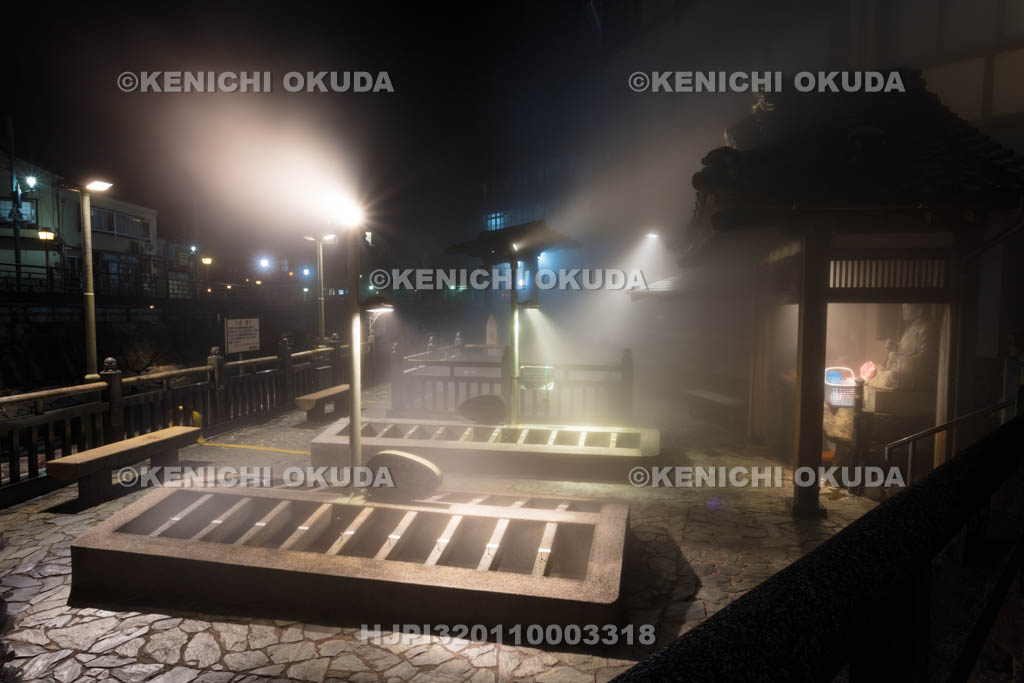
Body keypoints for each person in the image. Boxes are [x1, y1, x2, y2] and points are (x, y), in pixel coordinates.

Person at [868, 304, 937, 391]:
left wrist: (898, 359)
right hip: (901, 370)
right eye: (902, 309)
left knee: (887, 378)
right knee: (875, 370)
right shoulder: (910, 328)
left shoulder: (927, 328)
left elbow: (926, 362)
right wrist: (895, 348)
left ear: (919, 310)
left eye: (906, 308)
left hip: (916, 377)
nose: (902, 312)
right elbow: (905, 351)